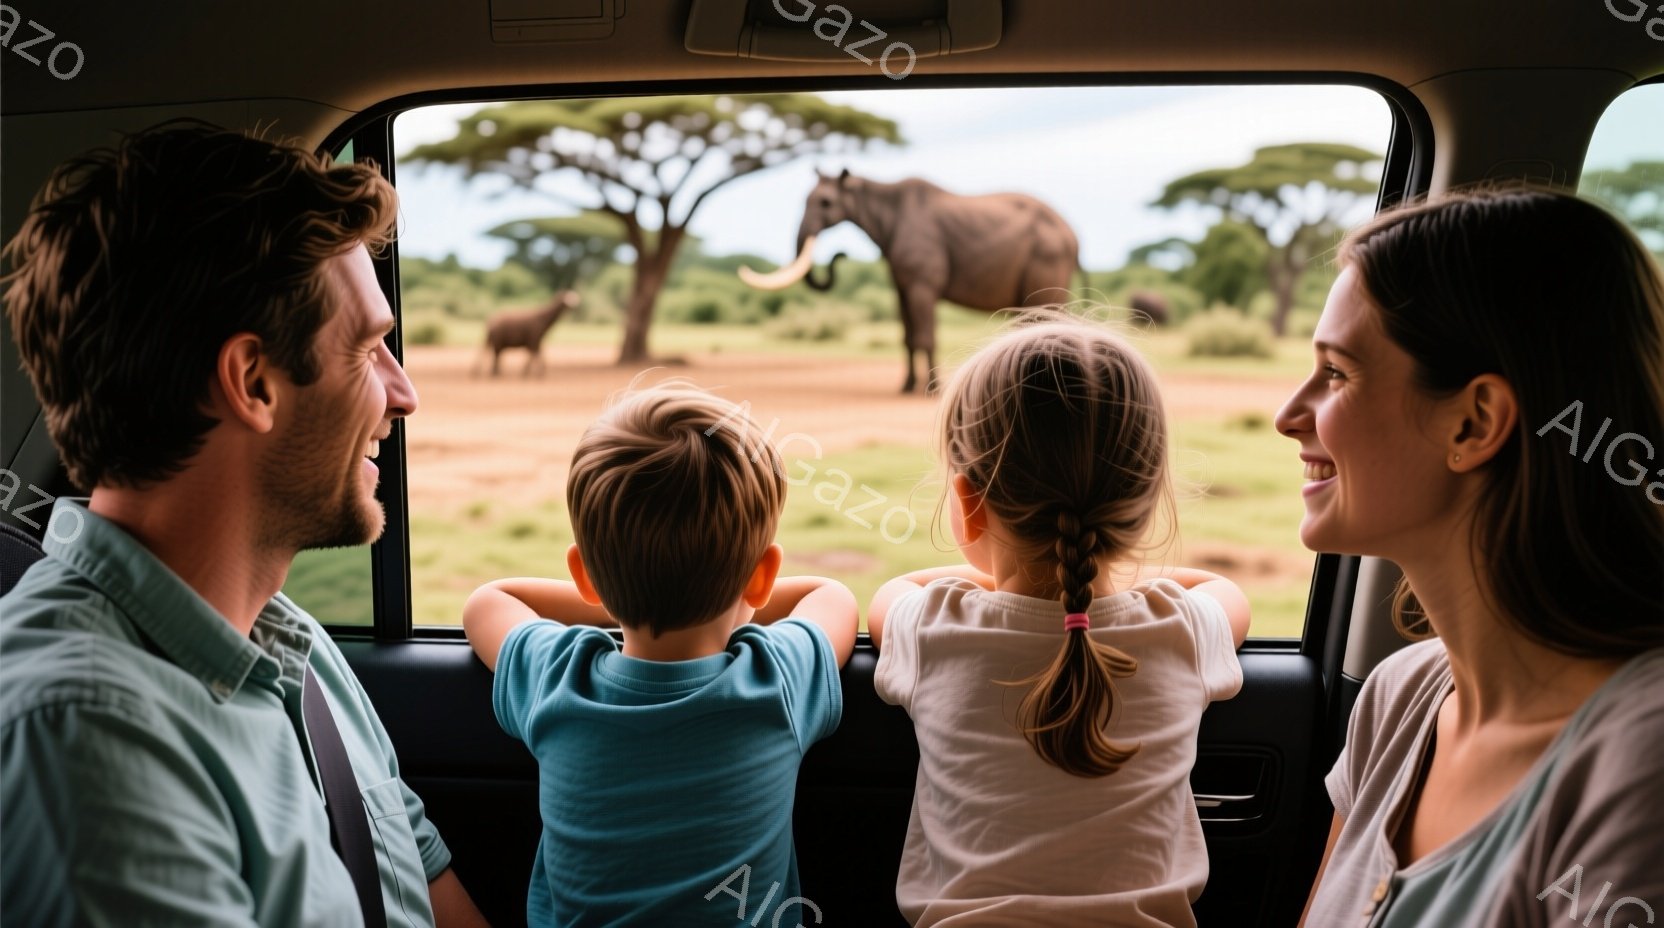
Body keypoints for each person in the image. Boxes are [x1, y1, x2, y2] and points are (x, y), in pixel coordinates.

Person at [0, 120, 487, 927]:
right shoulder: (88, 736)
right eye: (367, 351)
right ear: (253, 382)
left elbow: (422, 890)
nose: (403, 396)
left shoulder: (292, 642)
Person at [1284, 186, 1664, 928]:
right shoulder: (1400, 697)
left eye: (1336, 374)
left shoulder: (1641, 764)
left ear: (1475, 422)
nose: (1289, 415)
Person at [866, 315, 1252, 927]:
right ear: (1144, 505)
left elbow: (891, 595)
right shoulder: (1180, 627)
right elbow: (1223, 592)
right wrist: (1112, 576)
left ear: (968, 503)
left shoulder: (931, 626)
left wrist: (1000, 580)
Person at [462, 379, 859, 928]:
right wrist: (734, 589)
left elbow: (488, 602)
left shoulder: (558, 679)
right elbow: (831, 597)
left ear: (584, 576)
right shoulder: (777, 680)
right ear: (763, 575)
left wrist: (618, 589)